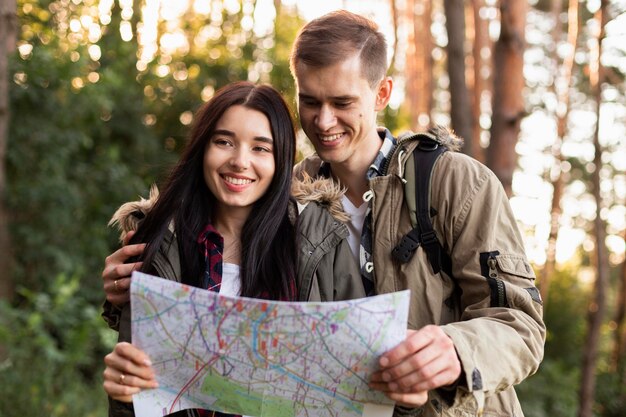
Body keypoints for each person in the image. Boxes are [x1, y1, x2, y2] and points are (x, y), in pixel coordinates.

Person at [103, 10, 545, 417]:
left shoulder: (455, 184)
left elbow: (521, 323)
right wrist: (136, 288)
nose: (323, 120)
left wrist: (456, 350)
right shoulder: (283, 197)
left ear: (382, 92)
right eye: (310, 101)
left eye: (342, 102)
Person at [101, 81, 365, 417]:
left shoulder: (322, 242)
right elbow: (131, 400)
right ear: (202, 148)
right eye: (224, 141)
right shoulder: (159, 243)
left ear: (281, 160)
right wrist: (125, 391)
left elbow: (358, 381)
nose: (240, 161)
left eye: (260, 148)